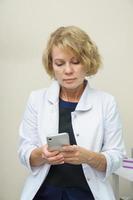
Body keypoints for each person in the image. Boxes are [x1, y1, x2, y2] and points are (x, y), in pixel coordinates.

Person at [18, 26, 126, 200]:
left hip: (88, 194)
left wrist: (89, 157)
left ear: (88, 62)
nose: (68, 71)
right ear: (51, 65)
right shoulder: (36, 99)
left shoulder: (106, 102)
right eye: (60, 63)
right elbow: (24, 152)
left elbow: (117, 156)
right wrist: (41, 154)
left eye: (75, 62)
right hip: (45, 193)